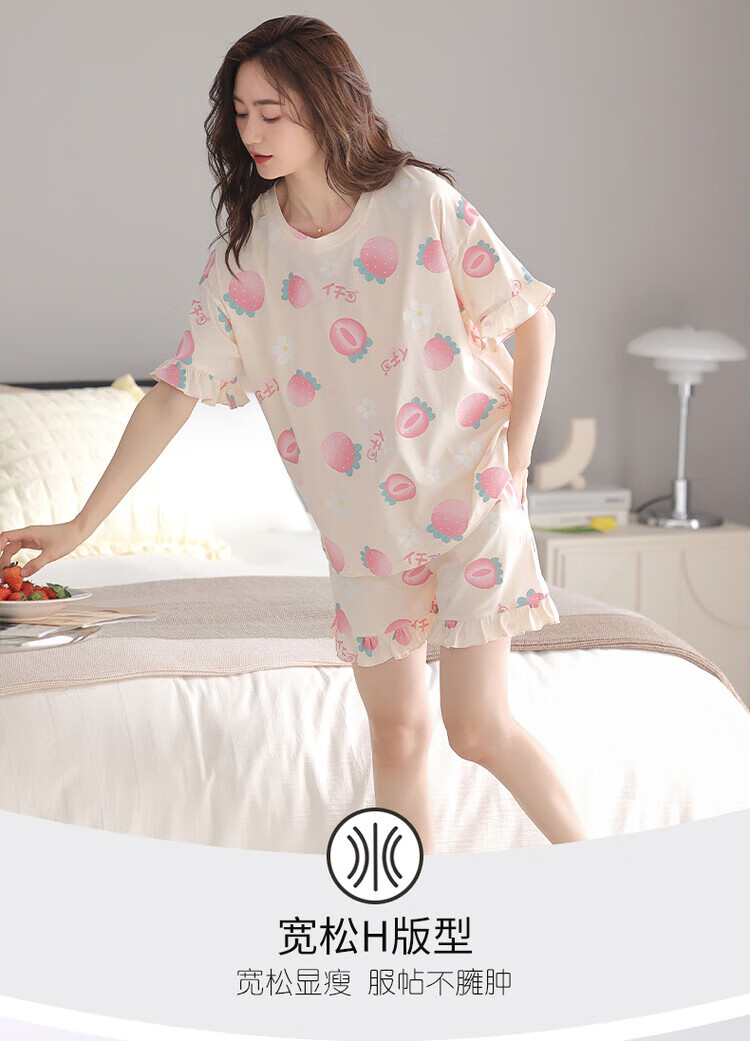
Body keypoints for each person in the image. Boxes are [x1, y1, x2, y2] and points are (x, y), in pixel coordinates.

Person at [0, 15, 588, 850]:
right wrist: (79, 525)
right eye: (241, 114)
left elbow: (533, 320)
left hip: (471, 499)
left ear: (324, 103)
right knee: (396, 736)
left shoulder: (417, 203)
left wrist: (517, 459)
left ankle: (601, 874)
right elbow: (172, 395)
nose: (254, 132)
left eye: (272, 112)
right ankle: (404, 909)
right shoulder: (249, 257)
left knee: (475, 727)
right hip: (364, 531)